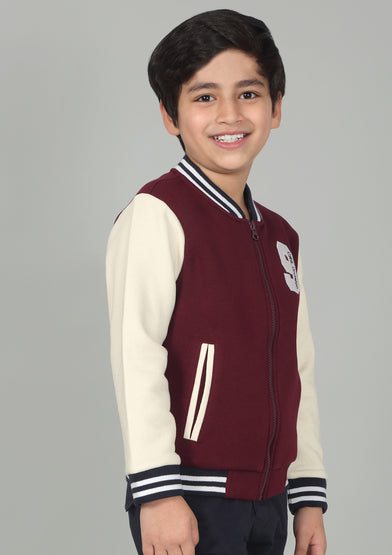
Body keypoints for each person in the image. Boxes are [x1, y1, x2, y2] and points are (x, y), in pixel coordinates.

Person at [106, 9, 328, 555]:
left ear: (276, 107)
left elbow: (296, 367)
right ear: (170, 115)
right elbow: (136, 353)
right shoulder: (159, 212)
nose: (230, 114)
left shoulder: (280, 237)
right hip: (190, 495)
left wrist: (307, 494)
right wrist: (158, 491)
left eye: (248, 94)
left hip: (270, 498)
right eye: (204, 97)